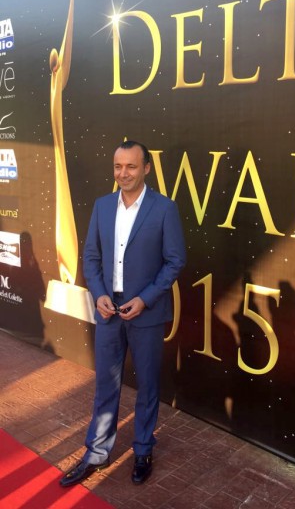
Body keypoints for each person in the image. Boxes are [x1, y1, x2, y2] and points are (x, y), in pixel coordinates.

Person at [60, 140, 186, 487]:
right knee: (105, 384)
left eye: (131, 166)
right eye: (118, 166)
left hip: (145, 312)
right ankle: (97, 453)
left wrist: (145, 299)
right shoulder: (102, 206)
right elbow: (91, 257)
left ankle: (143, 450)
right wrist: (98, 293)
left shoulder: (164, 209)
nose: (123, 173)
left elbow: (175, 260)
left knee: (147, 385)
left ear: (146, 168)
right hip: (108, 310)